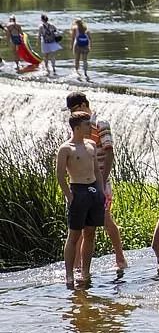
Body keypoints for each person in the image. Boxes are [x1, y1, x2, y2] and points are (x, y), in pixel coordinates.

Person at [65, 92, 127, 271]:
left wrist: (104, 179)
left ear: (85, 105)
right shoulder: (77, 125)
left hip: (99, 180)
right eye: (70, 111)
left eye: (75, 109)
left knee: (106, 219)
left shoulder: (101, 123)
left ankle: (120, 258)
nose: (72, 114)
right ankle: (77, 267)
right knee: (80, 226)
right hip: (82, 182)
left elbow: (109, 152)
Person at [56, 112, 105, 289]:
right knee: (74, 234)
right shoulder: (66, 148)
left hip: (93, 189)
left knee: (90, 232)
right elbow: (60, 175)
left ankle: (85, 271)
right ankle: (69, 274)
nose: (90, 127)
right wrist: (69, 197)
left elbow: (97, 171)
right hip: (78, 190)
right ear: (76, 127)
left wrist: (101, 191)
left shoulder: (91, 144)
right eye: (86, 125)